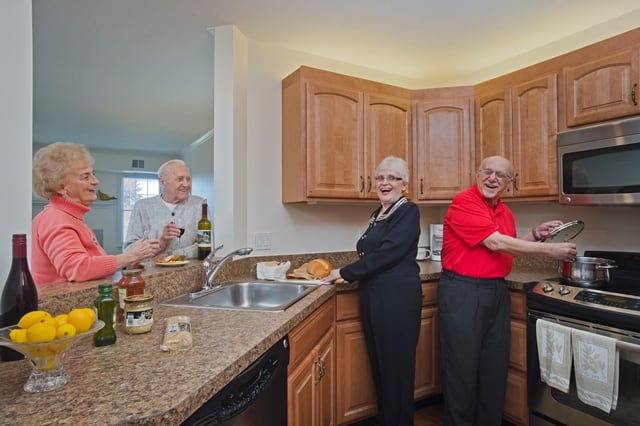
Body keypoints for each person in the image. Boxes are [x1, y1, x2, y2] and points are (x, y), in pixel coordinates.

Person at [438, 155, 578, 426]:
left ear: (509, 183)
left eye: (500, 175)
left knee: (494, 372)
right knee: (461, 374)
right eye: (487, 172)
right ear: (477, 174)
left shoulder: (505, 211)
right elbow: (494, 242)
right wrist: (551, 249)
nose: (492, 178)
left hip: (496, 292)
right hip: (463, 293)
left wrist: (536, 235)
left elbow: (508, 244)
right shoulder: (464, 203)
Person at [323, 156, 422, 426]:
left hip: (397, 300)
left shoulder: (407, 211)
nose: (384, 183)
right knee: (380, 368)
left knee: (396, 373)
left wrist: (345, 272)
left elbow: (388, 253)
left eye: (392, 178)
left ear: (405, 184)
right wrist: (349, 271)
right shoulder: (378, 214)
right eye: (380, 178)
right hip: (374, 297)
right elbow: (372, 253)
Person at [31, 142, 160, 287]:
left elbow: (93, 266)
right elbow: (77, 269)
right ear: (60, 186)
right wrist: (130, 256)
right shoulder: (54, 218)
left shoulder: (71, 218)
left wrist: (127, 265)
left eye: (93, 174)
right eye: (85, 177)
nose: (96, 181)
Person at [124, 159, 205, 259]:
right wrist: (161, 243)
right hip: (151, 273)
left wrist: (172, 255)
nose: (186, 184)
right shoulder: (142, 207)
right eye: (180, 179)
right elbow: (129, 250)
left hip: (188, 273)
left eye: (188, 179)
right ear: (162, 182)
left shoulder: (199, 204)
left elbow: (205, 245)